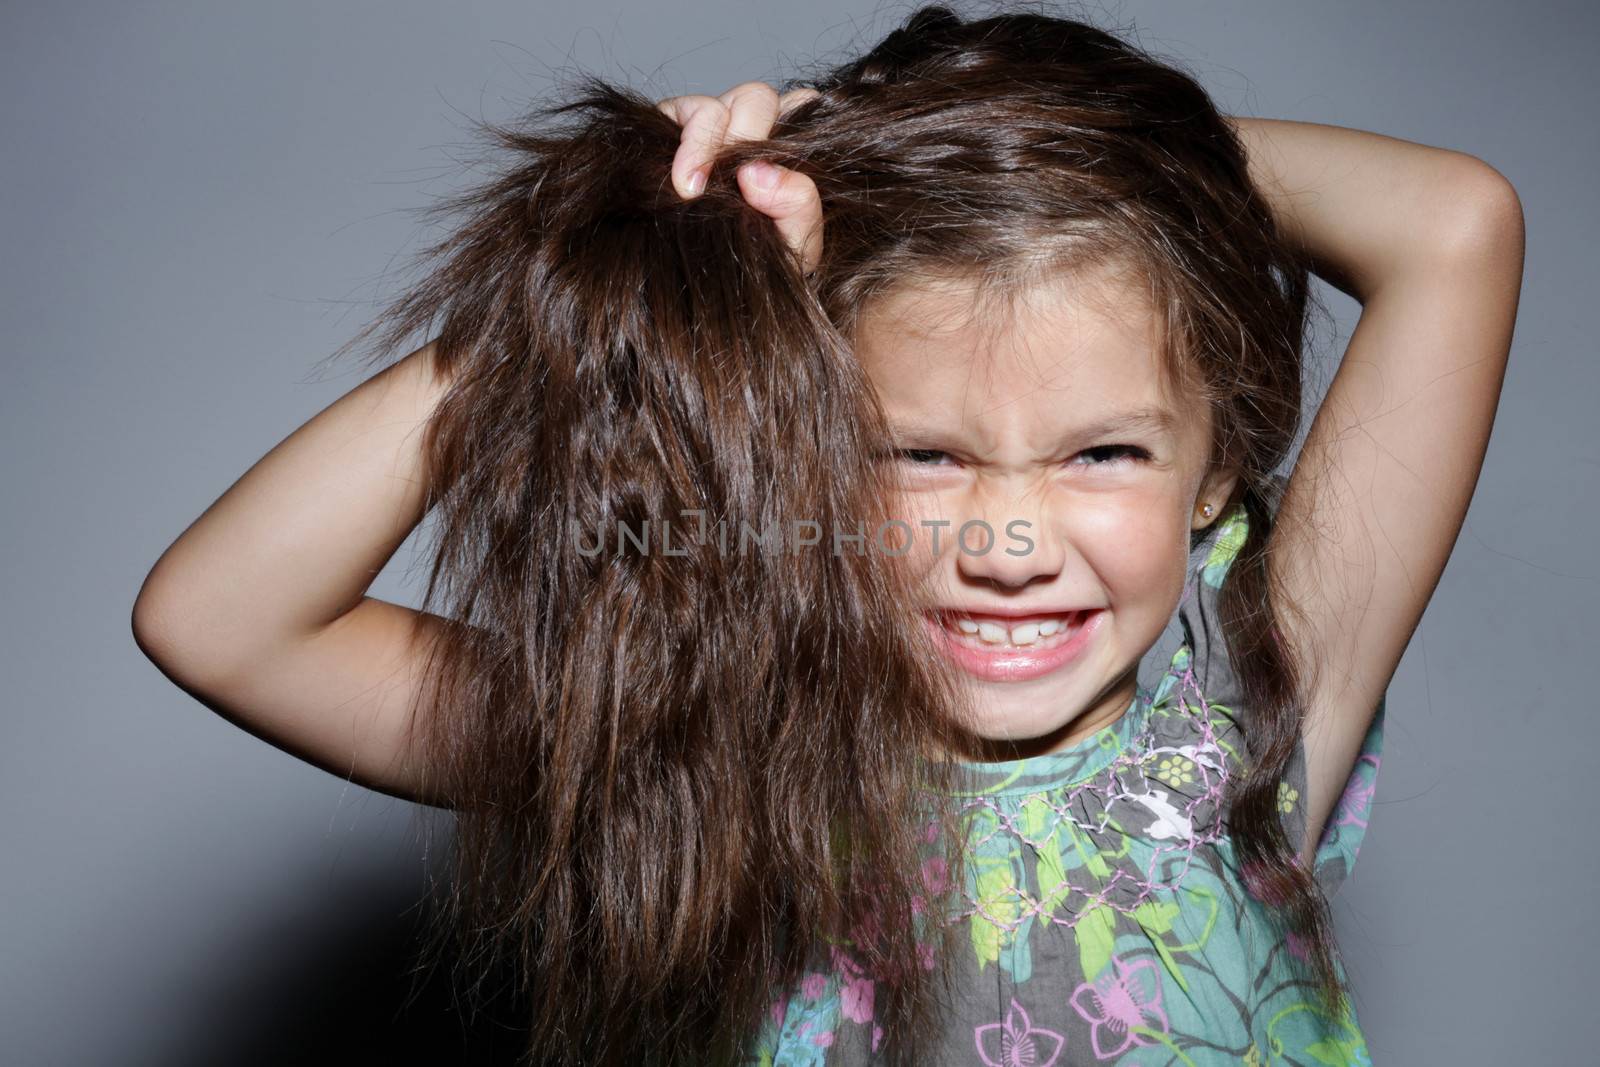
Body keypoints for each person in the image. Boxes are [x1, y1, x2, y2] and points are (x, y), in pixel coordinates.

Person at [131, 5, 1523, 1065]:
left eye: (1104, 452)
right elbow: (226, 622)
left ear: (1213, 471)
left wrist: (1049, 171)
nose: (1010, 538)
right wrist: (621, 274)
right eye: (918, 454)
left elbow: (1454, 224)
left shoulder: (1247, 701)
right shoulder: (707, 729)